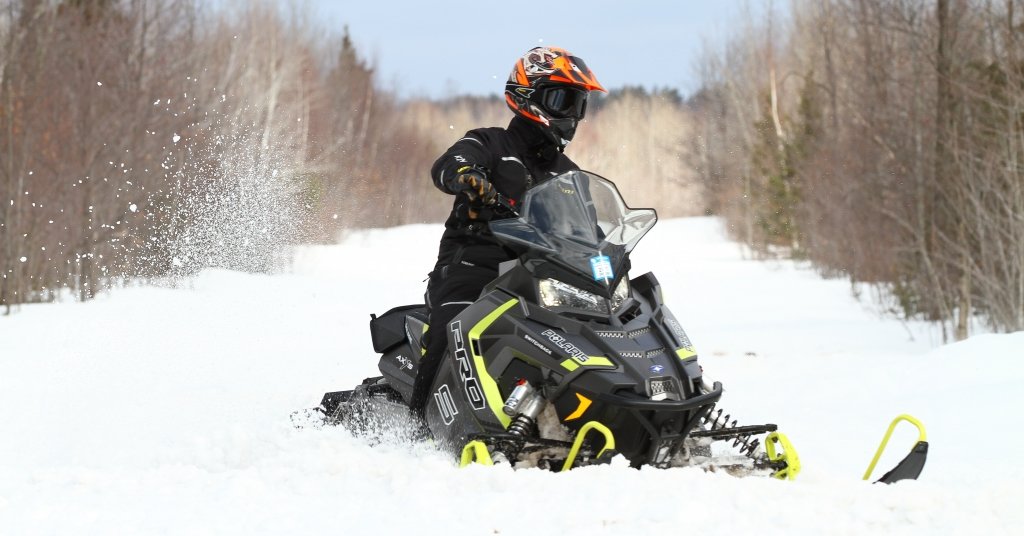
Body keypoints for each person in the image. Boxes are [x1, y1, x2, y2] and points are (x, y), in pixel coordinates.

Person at [409, 46, 606, 414]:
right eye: (563, 100)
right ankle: (418, 426)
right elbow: (448, 165)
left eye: (579, 104)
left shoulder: (569, 174)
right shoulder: (489, 143)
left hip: (541, 279)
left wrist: (606, 256)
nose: (573, 116)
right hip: (475, 270)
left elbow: (590, 232)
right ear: (528, 97)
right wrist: (467, 176)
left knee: (600, 331)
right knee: (452, 330)